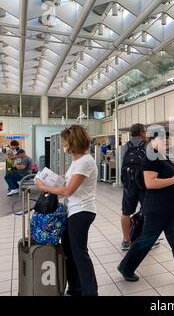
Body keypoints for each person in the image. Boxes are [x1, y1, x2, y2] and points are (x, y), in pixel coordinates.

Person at [117, 130, 174, 285]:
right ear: (152, 140)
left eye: (167, 138)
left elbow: (168, 178)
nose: (166, 141)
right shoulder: (150, 158)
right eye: (162, 138)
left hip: (170, 206)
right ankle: (126, 267)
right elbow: (150, 183)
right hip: (157, 208)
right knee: (146, 240)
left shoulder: (161, 156)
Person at [35, 125, 98, 296]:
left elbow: (68, 190)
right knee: (70, 251)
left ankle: (90, 292)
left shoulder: (86, 161)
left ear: (72, 142)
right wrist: (52, 178)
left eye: (64, 142)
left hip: (82, 211)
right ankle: (76, 288)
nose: (63, 146)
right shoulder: (77, 161)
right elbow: (67, 180)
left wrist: (45, 187)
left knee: (79, 253)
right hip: (74, 211)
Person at [120, 123, 159, 251]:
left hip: (129, 184)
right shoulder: (148, 146)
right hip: (144, 184)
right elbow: (153, 165)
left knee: (126, 213)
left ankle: (126, 240)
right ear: (142, 132)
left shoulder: (125, 146)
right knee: (148, 211)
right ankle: (147, 239)